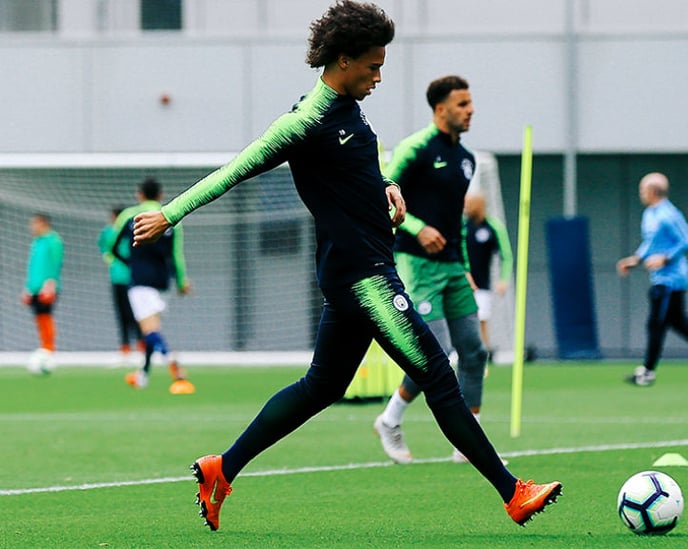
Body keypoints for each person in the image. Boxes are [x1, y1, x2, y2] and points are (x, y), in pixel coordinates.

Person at [131, 1, 560, 532]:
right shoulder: (305, 121)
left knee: (322, 387)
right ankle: (513, 492)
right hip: (364, 277)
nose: (379, 76)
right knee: (439, 377)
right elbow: (235, 168)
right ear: (341, 60)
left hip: (357, 271)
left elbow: (352, 172)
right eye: (372, 66)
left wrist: (387, 186)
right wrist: (169, 213)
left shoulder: (349, 110)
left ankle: (223, 469)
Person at [373, 74, 492, 466]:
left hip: (452, 267)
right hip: (416, 264)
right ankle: (389, 420)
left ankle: (467, 445)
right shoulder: (416, 148)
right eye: (462, 104)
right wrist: (416, 227)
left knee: (474, 352)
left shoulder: (466, 159)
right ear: (440, 109)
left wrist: (464, 266)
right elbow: (382, 195)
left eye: (471, 102)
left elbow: (456, 219)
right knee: (437, 352)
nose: (470, 109)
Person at [616, 172, 688, 387]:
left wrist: (665, 258)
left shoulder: (669, 214)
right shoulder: (650, 214)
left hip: (671, 279)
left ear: (653, 191)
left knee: (656, 324)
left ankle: (647, 372)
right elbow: (651, 243)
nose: (640, 194)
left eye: (642, 189)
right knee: (677, 321)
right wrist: (637, 259)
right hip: (660, 278)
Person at [112, 178, 194, 394]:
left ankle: (173, 367)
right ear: (160, 195)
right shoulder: (171, 217)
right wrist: (181, 281)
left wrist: (131, 264)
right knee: (152, 330)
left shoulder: (129, 216)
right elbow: (176, 255)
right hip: (162, 281)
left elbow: (113, 248)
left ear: (139, 194)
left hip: (140, 281)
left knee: (150, 331)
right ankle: (143, 376)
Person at [463, 191, 513, 355]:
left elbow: (506, 256)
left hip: (481, 284)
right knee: (461, 319)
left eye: (469, 204)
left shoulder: (493, 226)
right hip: (461, 283)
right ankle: (461, 351)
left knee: (481, 320)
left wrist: (503, 279)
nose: (466, 207)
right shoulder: (461, 226)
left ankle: (482, 355)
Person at [98, 205, 142, 365]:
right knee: (121, 314)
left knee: (136, 314)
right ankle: (125, 348)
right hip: (117, 278)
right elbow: (104, 249)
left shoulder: (131, 228)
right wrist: (110, 260)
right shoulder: (108, 232)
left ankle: (141, 346)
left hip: (132, 278)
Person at [21, 213, 63, 374]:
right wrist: (28, 288)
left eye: (35, 224)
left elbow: (56, 262)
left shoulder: (53, 240)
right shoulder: (36, 242)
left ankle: (49, 348)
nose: (32, 227)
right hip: (35, 287)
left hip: (47, 288)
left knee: (46, 316)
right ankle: (44, 347)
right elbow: (33, 267)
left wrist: (50, 284)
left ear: (43, 223)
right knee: (39, 317)